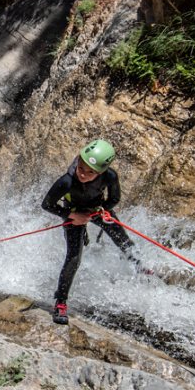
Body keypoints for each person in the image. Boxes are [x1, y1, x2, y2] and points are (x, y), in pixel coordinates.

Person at [41, 139, 149, 325]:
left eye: (90, 172)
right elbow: (47, 204)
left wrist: (100, 211)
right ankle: (60, 302)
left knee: (121, 238)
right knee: (74, 257)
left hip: (97, 209)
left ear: (101, 172)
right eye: (81, 167)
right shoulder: (66, 181)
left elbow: (114, 198)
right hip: (74, 212)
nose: (83, 174)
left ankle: (139, 266)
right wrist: (71, 215)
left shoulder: (110, 177)